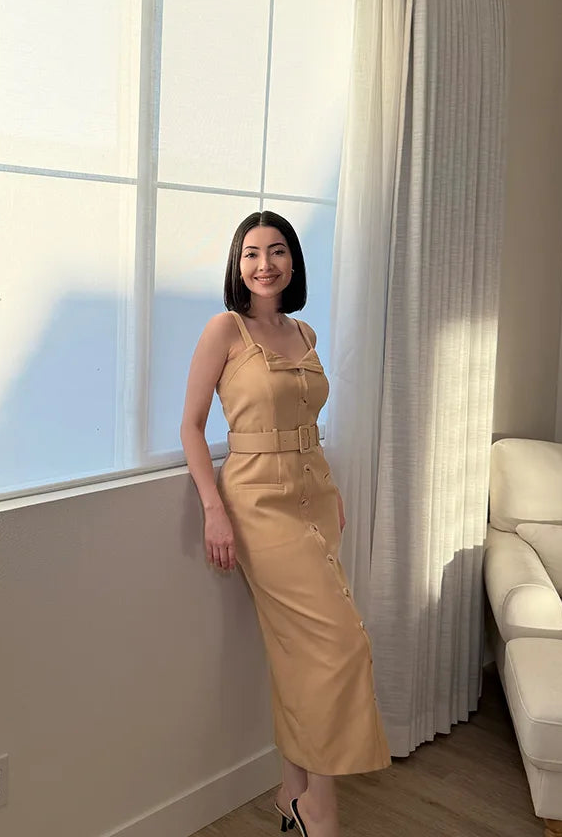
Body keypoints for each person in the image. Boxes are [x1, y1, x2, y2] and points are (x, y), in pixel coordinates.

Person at [180, 211, 390, 837]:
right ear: (236, 264)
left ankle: (293, 791)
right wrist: (213, 509)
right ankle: (318, 808)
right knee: (339, 644)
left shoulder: (304, 332)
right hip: (256, 503)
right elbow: (192, 427)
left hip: (316, 496)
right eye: (251, 253)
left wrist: (333, 491)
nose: (263, 264)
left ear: (293, 262)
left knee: (303, 649)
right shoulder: (225, 329)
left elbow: (307, 427)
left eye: (276, 251)